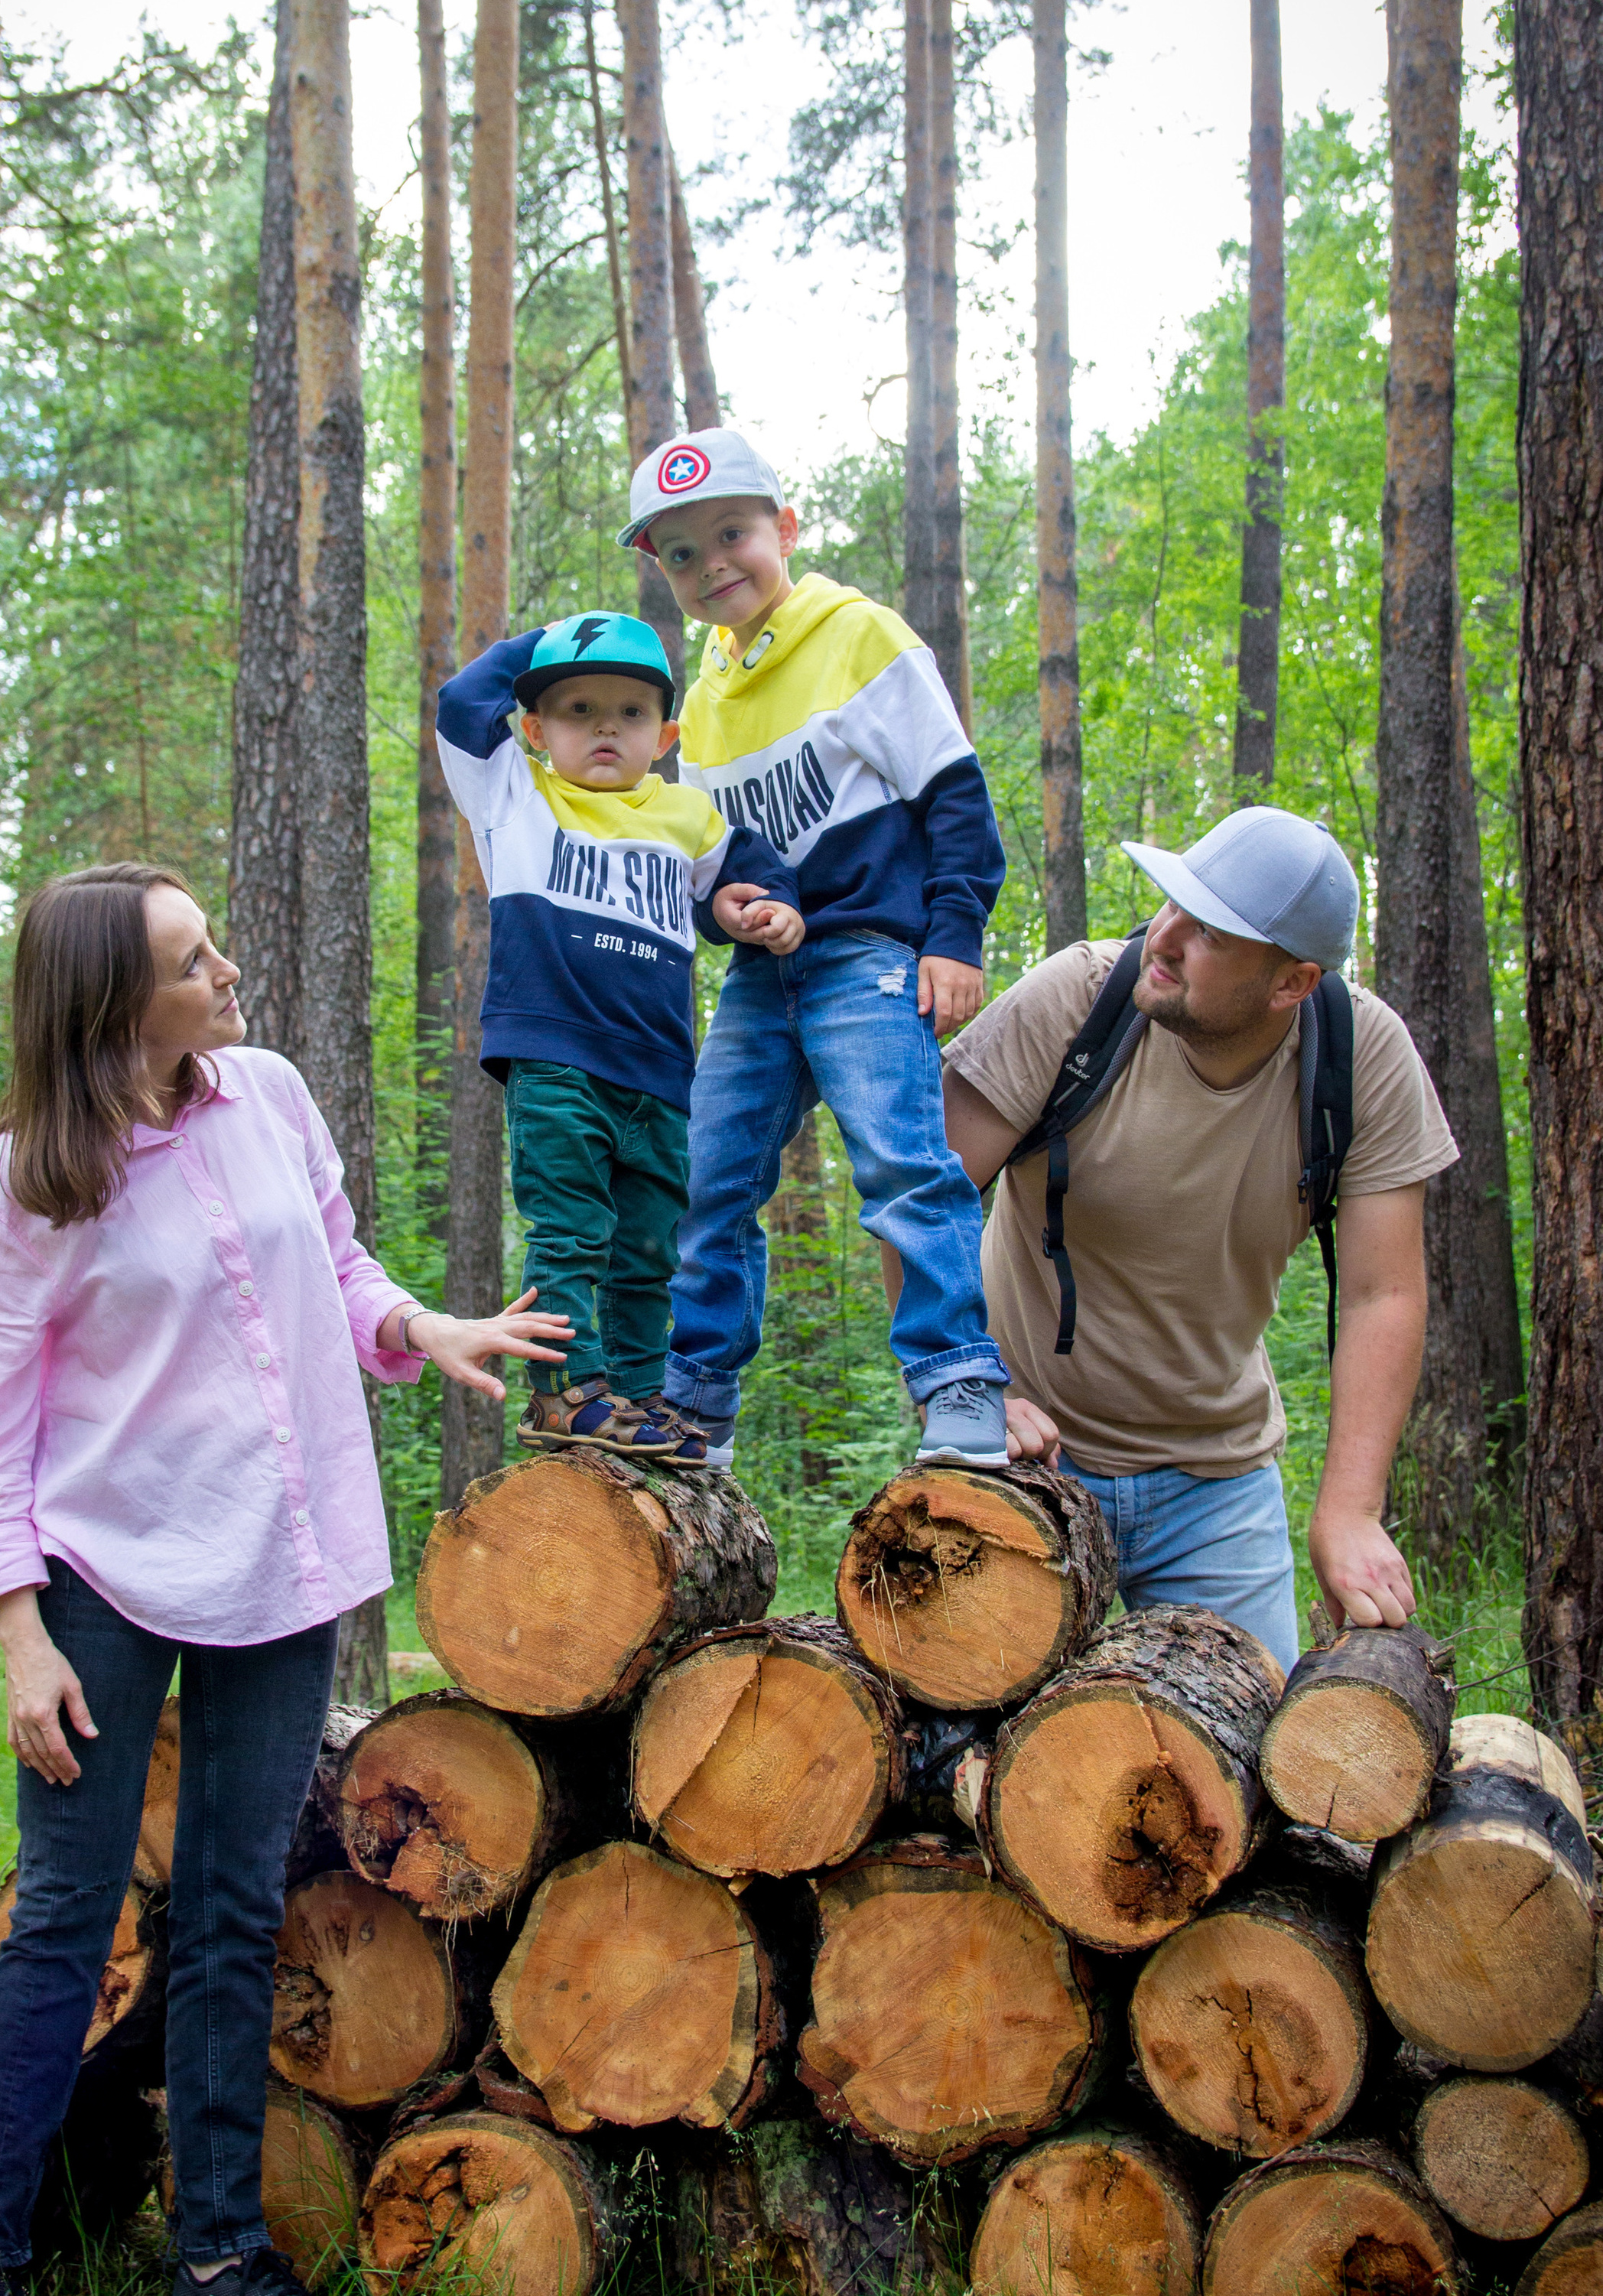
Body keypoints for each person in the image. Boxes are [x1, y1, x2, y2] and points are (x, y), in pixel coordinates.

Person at [0, 863, 567, 2296]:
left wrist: (418, 1325)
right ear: (113, 1009)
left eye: (216, 947)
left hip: (277, 1563)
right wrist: (18, 1635)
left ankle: (217, 2258)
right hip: (103, 1581)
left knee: (233, 1909)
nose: (230, 974)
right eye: (195, 963)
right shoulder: (21, 1184)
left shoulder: (263, 1092)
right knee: (66, 1920)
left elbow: (333, 1267)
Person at [934, 807, 1458, 1673]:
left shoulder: (1362, 1058)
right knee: (955, 1749)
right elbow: (930, 1193)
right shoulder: (1075, 1000)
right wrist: (959, 1387)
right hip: (1022, 1455)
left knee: (1253, 1765)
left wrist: (1350, 1510)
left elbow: (1382, 1293)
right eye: (1171, 903)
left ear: (1290, 984)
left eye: (1209, 932)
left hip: (1217, 1486)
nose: (1163, 939)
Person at [617, 426, 1026, 1473]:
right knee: (708, 1180)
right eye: (681, 553)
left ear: (784, 529)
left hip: (872, 956)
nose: (713, 565)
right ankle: (698, 1406)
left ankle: (960, 1384)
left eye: (733, 534)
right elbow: (716, 864)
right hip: (763, 980)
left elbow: (956, 798)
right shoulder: (699, 704)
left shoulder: (861, 637)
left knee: (902, 1164)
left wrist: (954, 936)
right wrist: (734, 913)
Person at [437, 609, 803, 1452]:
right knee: (570, 1234)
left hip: (662, 1075)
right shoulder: (515, 796)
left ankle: (642, 1399)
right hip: (557, 1059)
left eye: (631, 712)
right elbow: (462, 704)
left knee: (651, 1251)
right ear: (534, 728)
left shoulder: (685, 815)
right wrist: (564, 637)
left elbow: (749, 870)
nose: (605, 726)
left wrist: (763, 908)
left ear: (666, 734)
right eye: (577, 710)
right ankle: (566, 1391)